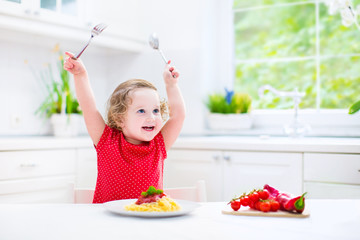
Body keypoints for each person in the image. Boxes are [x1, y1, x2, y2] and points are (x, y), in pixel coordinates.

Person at [63, 52, 185, 203]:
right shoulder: (107, 141)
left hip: (147, 222)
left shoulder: (159, 145)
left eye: (155, 110)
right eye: (141, 111)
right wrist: (80, 75)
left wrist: (171, 85)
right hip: (108, 222)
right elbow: (89, 108)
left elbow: (178, 116)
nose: (151, 117)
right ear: (120, 118)